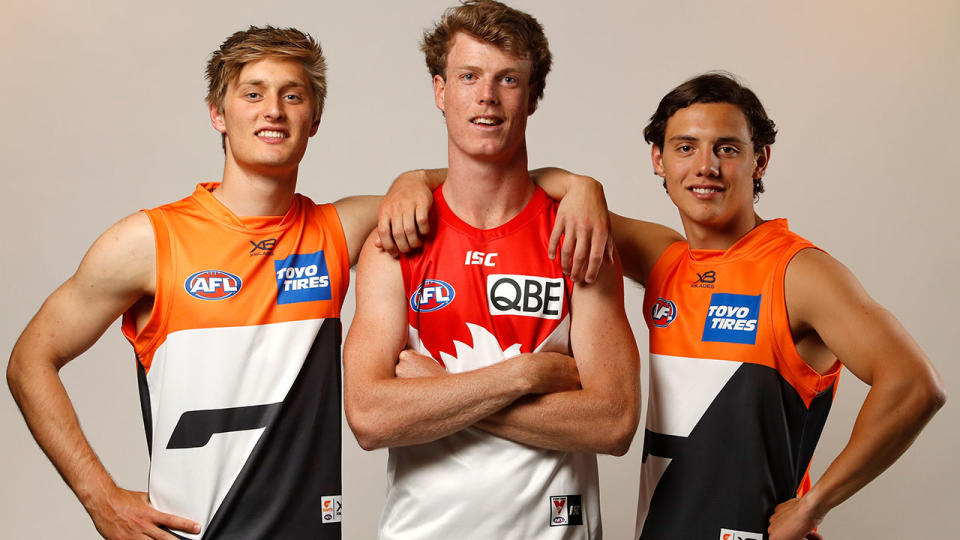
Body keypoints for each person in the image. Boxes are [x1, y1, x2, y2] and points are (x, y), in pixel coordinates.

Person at [5, 25, 456, 540]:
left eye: (293, 95)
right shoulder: (150, 243)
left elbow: (476, 197)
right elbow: (29, 361)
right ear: (218, 113)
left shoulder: (338, 230)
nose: (274, 110)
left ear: (314, 119)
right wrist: (99, 496)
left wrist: (563, 184)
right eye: (253, 93)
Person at [590, 72, 944, 540]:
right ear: (658, 159)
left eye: (727, 148)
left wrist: (814, 505)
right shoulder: (667, 259)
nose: (705, 166)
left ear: (760, 160)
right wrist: (580, 187)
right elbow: (535, 205)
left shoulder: (798, 271)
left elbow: (916, 385)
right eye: (685, 147)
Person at [343, 1, 640, 539]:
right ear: (440, 91)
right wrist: (521, 377)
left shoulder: (576, 235)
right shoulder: (396, 241)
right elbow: (368, 416)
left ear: (531, 96)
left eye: (508, 79)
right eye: (469, 76)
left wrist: (445, 392)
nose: (487, 96)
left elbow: (614, 421)